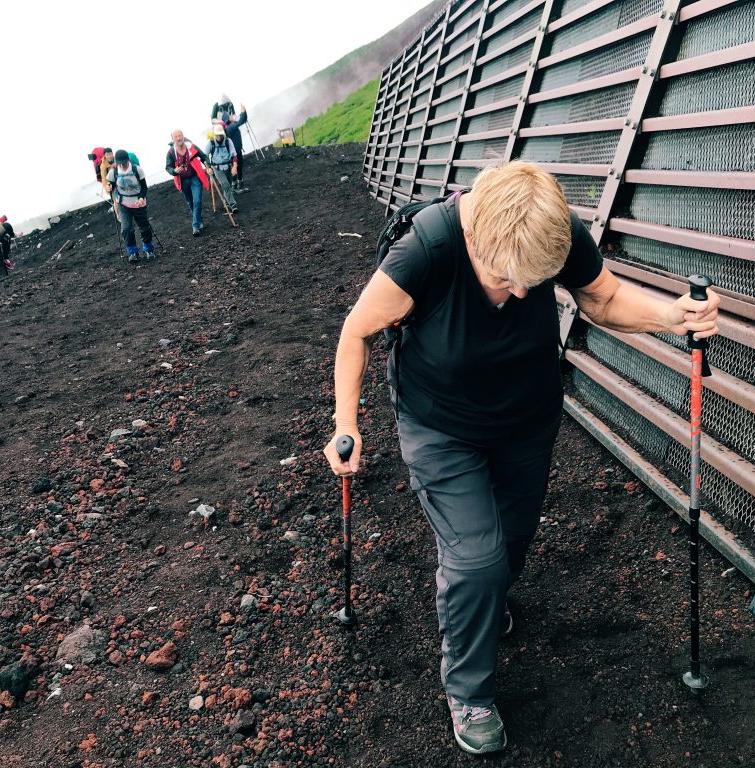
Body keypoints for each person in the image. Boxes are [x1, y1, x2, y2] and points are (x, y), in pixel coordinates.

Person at [322, 162, 720, 755]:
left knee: (509, 544)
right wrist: (345, 425)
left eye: (535, 283)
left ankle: (479, 606)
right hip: (440, 422)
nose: (522, 294)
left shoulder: (552, 232)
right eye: (507, 280)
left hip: (526, 417)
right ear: (477, 241)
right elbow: (357, 330)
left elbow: (604, 299)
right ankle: (470, 690)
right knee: (477, 560)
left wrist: (673, 317)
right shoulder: (426, 248)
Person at [107, 149, 155, 263]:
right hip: (123, 204)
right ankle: (133, 252)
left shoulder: (137, 170)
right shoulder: (113, 172)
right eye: (120, 163)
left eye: (124, 162)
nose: (122, 165)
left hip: (139, 203)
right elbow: (112, 186)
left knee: (144, 227)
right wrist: (109, 188)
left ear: (128, 160)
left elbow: (144, 187)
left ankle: (149, 249)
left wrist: (141, 198)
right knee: (126, 229)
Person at [166, 130, 210, 237]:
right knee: (190, 202)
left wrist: (208, 166)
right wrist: (175, 171)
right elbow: (168, 167)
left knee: (197, 200)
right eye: (175, 137)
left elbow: (204, 156)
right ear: (172, 139)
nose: (178, 138)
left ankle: (195, 226)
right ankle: (199, 220)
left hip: (195, 177)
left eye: (180, 136)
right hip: (183, 180)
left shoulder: (191, 147)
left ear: (183, 136)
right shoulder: (171, 152)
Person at [205, 124, 239, 214]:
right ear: (214, 134)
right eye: (217, 135)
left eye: (220, 135)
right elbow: (205, 157)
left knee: (227, 186)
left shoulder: (228, 141)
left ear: (223, 134)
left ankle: (226, 202)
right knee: (226, 185)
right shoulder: (210, 143)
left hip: (228, 166)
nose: (219, 137)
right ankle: (233, 204)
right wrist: (208, 167)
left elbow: (234, 155)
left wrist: (235, 166)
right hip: (217, 168)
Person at [225, 106, 249, 193]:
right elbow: (241, 121)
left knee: (239, 168)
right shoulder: (230, 127)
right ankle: (235, 187)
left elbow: (243, 120)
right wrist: (243, 112)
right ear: (228, 119)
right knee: (236, 168)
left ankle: (238, 185)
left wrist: (244, 113)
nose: (232, 116)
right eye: (230, 116)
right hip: (234, 153)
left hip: (236, 151)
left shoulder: (230, 126)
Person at [98, 148, 119, 221]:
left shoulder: (116, 160)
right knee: (116, 200)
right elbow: (104, 178)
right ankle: (118, 216)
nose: (110, 156)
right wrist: (106, 187)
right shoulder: (103, 165)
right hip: (110, 185)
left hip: (118, 182)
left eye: (111, 153)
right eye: (107, 154)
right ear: (105, 155)